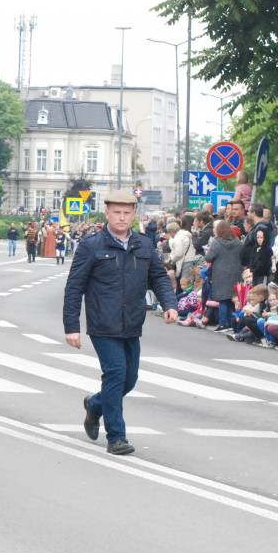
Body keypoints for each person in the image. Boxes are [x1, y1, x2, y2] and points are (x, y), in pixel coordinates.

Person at [63, 189, 177, 456]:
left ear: (133, 214)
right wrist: (71, 327)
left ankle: (94, 404)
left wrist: (169, 304)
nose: (122, 217)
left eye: (127, 213)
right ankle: (116, 437)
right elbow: (74, 287)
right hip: (103, 323)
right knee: (115, 374)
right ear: (107, 213)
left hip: (132, 323)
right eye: (117, 212)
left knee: (129, 380)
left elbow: (158, 277)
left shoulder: (144, 244)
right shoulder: (92, 246)